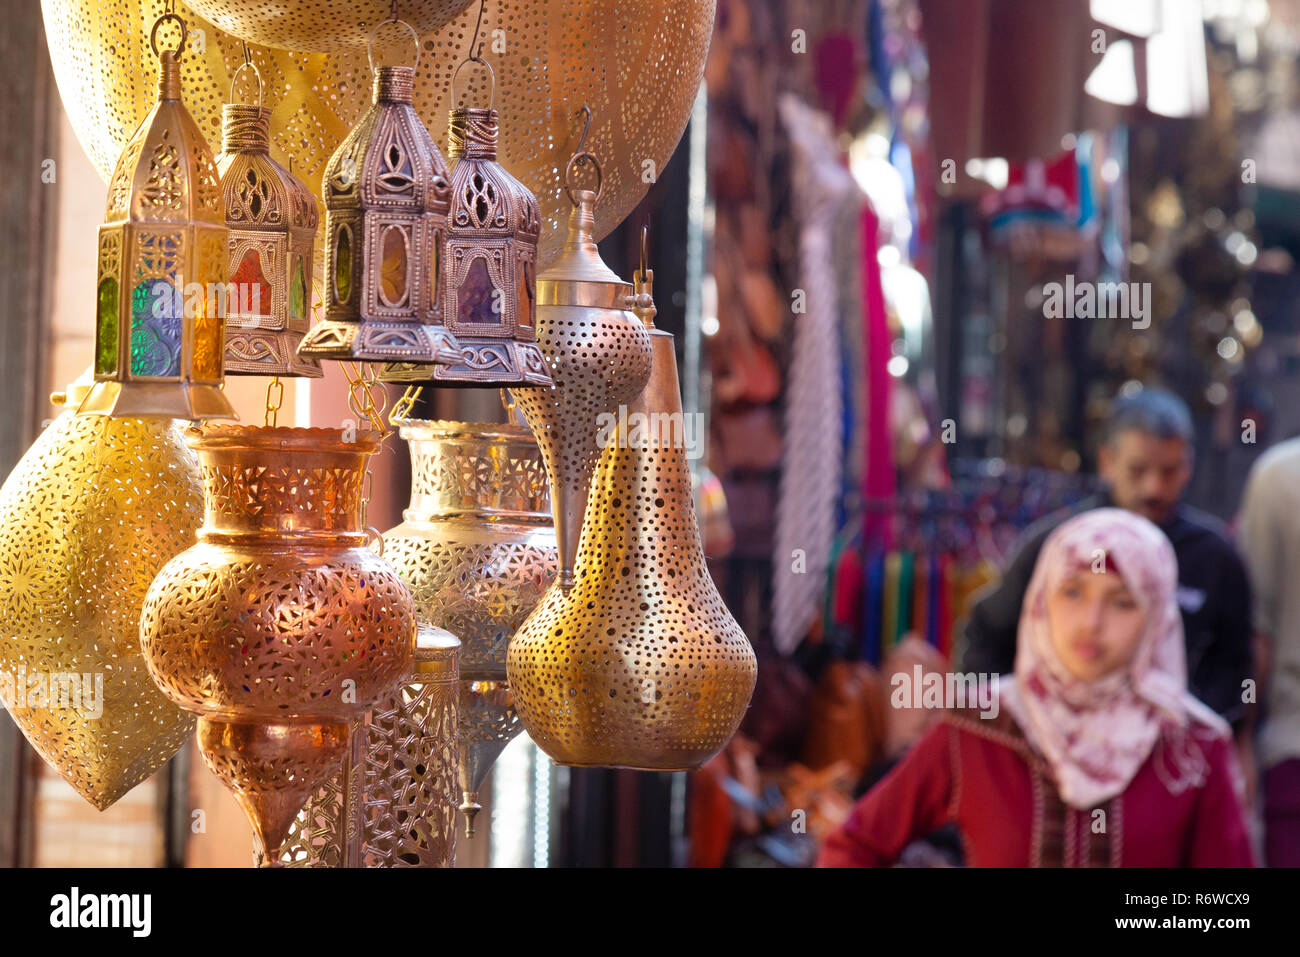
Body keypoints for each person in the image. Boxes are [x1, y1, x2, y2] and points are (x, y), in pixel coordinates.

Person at [817, 509, 1255, 867]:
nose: (1091, 623)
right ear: (1041, 601)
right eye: (1072, 592)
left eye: (1122, 602)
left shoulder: (1193, 746)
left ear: (1156, 619)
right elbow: (855, 846)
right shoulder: (978, 725)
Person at [961, 388, 1252, 726]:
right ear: (1107, 462)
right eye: (1138, 470)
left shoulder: (1216, 558)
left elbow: (1235, 665)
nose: (1154, 488)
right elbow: (987, 635)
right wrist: (1003, 727)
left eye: (1169, 471)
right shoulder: (1057, 546)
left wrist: (1188, 729)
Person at [1236, 438, 1300, 866]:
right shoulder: (1279, 477)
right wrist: (1243, 743)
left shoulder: (1278, 474)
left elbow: (1258, 629)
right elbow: (1255, 629)